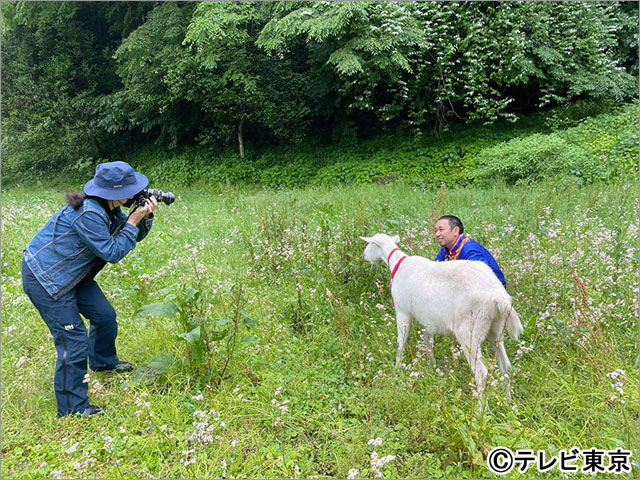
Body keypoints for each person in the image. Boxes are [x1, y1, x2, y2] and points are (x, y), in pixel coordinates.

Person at [21, 161, 158, 417]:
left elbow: (131, 235)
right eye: (131, 189)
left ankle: (103, 362)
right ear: (115, 192)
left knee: (105, 316)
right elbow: (113, 251)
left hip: (74, 276)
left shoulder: (110, 209)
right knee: (73, 341)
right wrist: (133, 220)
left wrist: (144, 217)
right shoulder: (88, 213)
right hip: (47, 279)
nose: (136, 193)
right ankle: (73, 408)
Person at [433, 215, 507, 288]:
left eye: (441, 230)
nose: (437, 234)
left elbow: (481, 277)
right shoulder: (446, 248)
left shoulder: (469, 249)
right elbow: (436, 270)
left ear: (455, 230)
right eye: (436, 231)